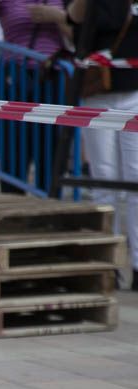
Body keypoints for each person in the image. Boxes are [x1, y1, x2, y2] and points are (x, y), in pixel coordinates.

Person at [0, 0, 73, 194]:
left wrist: (58, 17)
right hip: (13, 77)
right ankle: (14, 205)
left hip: (51, 76)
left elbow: (77, 37)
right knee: (11, 146)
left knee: (50, 147)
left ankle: (49, 205)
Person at [69, 0, 138, 291]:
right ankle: (104, 264)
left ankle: (137, 264)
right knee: (104, 178)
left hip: (134, 91)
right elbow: (73, 17)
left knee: (135, 178)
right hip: (98, 94)